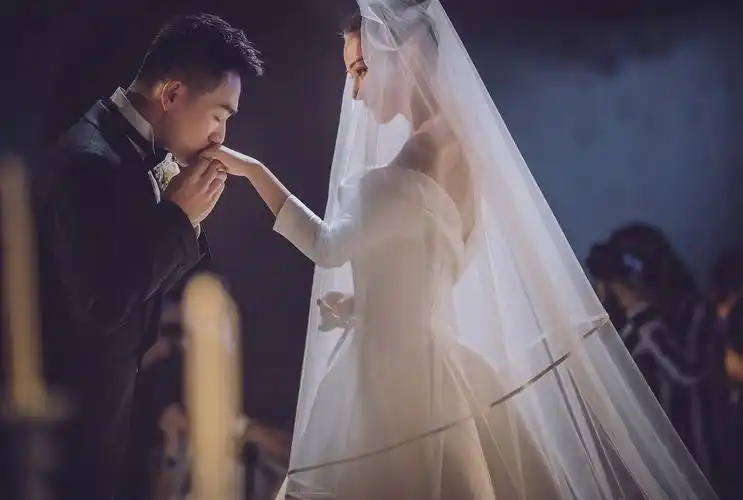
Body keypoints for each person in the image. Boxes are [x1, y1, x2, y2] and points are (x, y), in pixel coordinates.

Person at [210, 1, 716, 498]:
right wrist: (371, 302)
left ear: (403, 55)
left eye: (361, 70)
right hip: (442, 369)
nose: (356, 92)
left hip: (397, 383)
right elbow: (429, 269)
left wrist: (252, 171)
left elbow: (327, 246)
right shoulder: (466, 152)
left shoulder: (417, 156)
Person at [33, 13, 262, 500]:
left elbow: (150, 275)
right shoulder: (87, 160)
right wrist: (178, 218)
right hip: (76, 422)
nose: (221, 136)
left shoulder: (140, 149)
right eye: (219, 115)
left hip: (124, 412)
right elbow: (101, 304)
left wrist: (187, 219)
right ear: (172, 94)